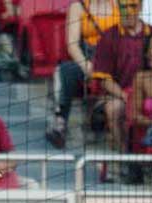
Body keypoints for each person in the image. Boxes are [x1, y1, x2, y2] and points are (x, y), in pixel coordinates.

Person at [46, 0, 119, 149]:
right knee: (64, 70)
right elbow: (72, 45)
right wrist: (88, 67)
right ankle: (60, 122)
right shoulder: (78, 6)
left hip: (115, 59)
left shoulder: (118, 4)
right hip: (89, 59)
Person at [92, 0, 152, 156]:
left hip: (151, 93)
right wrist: (125, 95)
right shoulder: (108, 36)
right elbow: (104, 80)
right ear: (118, 8)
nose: (128, 11)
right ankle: (125, 157)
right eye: (123, 7)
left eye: (132, 6)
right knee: (114, 109)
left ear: (140, 7)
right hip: (118, 94)